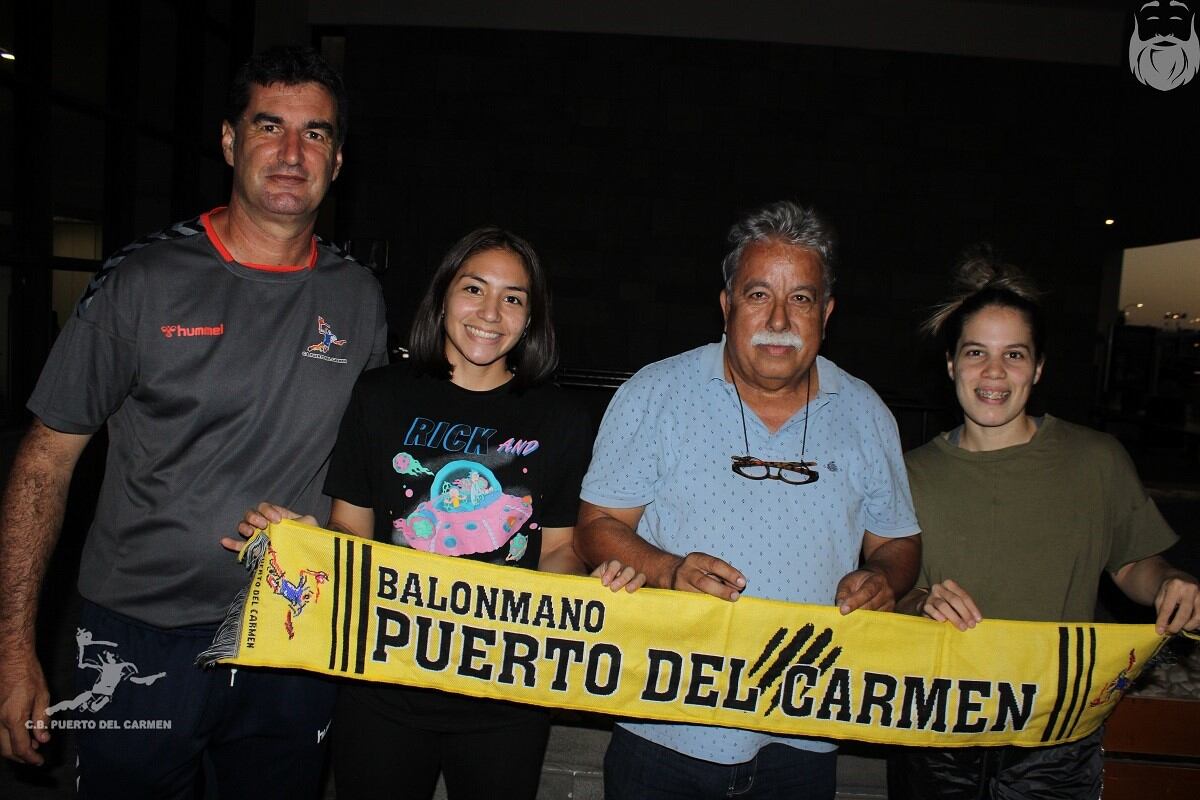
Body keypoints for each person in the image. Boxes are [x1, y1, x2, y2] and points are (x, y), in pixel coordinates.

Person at [0, 46, 387, 799]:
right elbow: (44, 462)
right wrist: (13, 646)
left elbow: (369, 473)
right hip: (138, 639)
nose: (289, 152)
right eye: (268, 126)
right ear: (230, 141)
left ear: (337, 160)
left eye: (315, 134)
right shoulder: (142, 283)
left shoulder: (359, 298)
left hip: (289, 634)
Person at [236, 226, 644, 800]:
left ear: (530, 318)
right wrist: (311, 546)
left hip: (505, 693)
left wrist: (584, 592)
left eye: (513, 298)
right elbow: (351, 531)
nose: (490, 312)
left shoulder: (563, 418)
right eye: (474, 289)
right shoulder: (379, 396)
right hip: (383, 684)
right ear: (443, 298)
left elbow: (555, 548)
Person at [573, 200, 922, 800]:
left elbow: (898, 541)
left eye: (802, 298)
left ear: (827, 312)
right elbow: (595, 527)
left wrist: (883, 576)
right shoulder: (654, 392)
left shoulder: (866, 413)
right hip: (662, 729)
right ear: (727, 304)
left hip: (803, 737)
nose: (780, 319)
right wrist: (667, 568)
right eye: (759, 294)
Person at [893, 251, 1200, 799]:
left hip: (1056, 739)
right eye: (975, 353)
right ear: (950, 365)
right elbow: (892, 592)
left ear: (1038, 368)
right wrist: (921, 604)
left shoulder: (1096, 459)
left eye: (1013, 354)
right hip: (934, 734)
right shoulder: (909, 474)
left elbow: (1132, 563)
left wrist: (1171, 582)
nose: (993, 373)